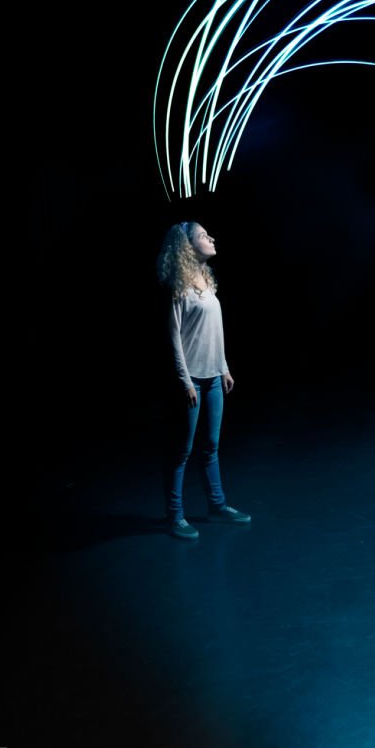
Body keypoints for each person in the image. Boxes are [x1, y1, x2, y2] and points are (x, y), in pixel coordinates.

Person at [156, 221, 251, 539]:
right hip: (192, 380)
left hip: (213, 377)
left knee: (211, 446)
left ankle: (217, 505)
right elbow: (173, 338)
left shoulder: (207, 281)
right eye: (203, 235)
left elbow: (215, 332)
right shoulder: (178, 286)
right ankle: (175, 516)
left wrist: (223, 367)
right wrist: (184, 381)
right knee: (181, 450)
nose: (211, 237)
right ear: (187, 246)